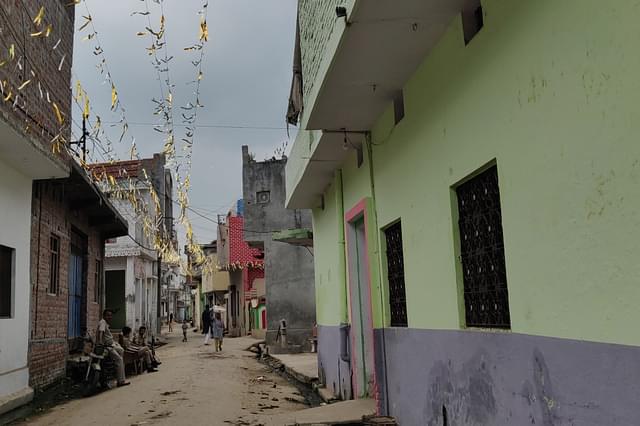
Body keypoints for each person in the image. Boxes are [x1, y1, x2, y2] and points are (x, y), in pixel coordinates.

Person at [96, 309, 129, 387]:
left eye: (111, 315)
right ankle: (120, 381)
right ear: (104, 316)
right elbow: (101, 332)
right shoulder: (103, 322)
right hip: (106, 347)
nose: (109, 317)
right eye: (108, 315)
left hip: (111, 345)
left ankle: (118, 371)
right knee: (119, 359)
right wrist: (100, 342)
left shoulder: (105, 323)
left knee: (121, 350)